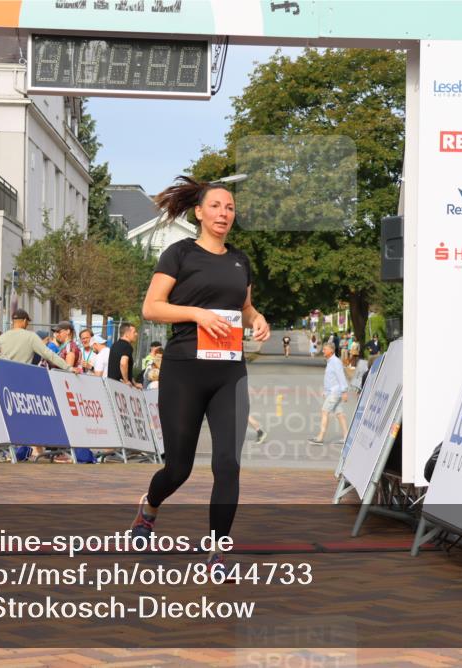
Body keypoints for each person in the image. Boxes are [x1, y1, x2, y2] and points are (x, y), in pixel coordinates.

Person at [130, 175, 270, 578]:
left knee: (228, 464)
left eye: (229, 208)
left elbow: (245, 307)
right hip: (184, 371)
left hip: (229, 374)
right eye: (215, 206)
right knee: (179, 468)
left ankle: (217, 551)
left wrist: (257, 319)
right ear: (199, 212)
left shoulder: (239, 260)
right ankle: (149, 509)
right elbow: (152, 308)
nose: (223, 213)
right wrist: (195, 313)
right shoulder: (179, 254)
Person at [0, 309, 72, 370]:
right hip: (21, 377)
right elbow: (49, 354)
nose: (27, 324)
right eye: (27, 322)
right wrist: (69, 368)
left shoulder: (2, 337)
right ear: (24, 321)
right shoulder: (31, 336)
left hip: (3, 376)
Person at [309, 342, 349, 445]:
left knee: (324, 411)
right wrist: (326, 391)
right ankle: (346, 436)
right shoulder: (330, 362)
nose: (323, 351)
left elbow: (341, 376)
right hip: (333, 391)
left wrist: (344, 391)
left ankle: (320, 437)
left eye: (325, 349)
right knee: (339, 414)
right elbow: (331, 379)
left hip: (335, 393)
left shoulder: (335, 362)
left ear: (331, 351)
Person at [108, 322, 141, 388]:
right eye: (134, 332)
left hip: (112, 383)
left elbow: (128, 371)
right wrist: (126, 381)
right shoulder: (127, 346)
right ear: (127, 334)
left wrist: (135, 383)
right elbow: (123, 363)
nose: (136, 334)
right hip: (121, 386)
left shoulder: (115, 345)